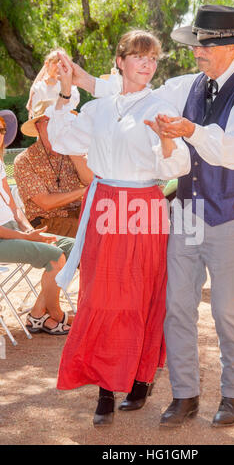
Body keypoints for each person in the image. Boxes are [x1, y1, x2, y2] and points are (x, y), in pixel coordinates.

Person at [76, 5, 234, 428]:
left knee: (226, 311)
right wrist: (82, 81)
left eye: (206, 45)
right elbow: (133, 91)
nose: (197, 51)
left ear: (230, 46)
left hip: (231, 217)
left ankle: (233, 395)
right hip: (186, 215)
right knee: (176, 307)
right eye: (197, 43)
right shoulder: (187, 86)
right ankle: (185, 396)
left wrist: (189, 131)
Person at [45, 30, 191, 427]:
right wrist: (63, 90)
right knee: (102, 297)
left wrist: (164, 140)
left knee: (143, 296)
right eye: (139, 56)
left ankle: (140, 380)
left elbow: (177, 167)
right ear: (121, 61)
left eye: (153, 58)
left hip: (145, 208)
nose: (147, 64)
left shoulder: (161, 107)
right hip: (105, 207)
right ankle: (106, 390)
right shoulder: (99, 108)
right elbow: (59, 139)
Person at [0, 110, 75, 335]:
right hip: (3, 238)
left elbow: (13, 207)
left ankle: (37, 314)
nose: (0, 134)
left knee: (74, 248)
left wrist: (29, 229)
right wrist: (26, 237)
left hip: (14, 231)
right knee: (55, 256)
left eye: (2, 130)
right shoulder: (26, 160)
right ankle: (57, 315)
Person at [14, 100, 93, 238]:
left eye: (59, 120)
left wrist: (71, 150)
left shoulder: (73, 150)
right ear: (38, 127)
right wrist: (84, 191)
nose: (55, 126)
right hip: (47, 222)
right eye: (49, 121)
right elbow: (46, 203)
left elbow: (90, 179)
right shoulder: (25, 160)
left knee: (115, 224)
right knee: (95, 233)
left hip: (79, 214)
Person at [26, 48, 80, 119]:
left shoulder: (71, 85)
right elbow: (36, 110)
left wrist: (57, 85)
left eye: (63, 64)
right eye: (55, 62)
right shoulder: (40, 87)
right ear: (47, 64)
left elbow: (74, 102)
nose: (59, 66)